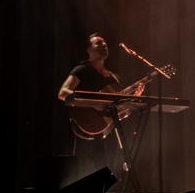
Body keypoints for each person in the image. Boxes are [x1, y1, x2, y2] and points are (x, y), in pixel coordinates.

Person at [58, 33, 145, 179]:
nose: (104, 45)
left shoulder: (114, 77)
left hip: (108, 131)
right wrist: (94, 103)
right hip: (86, 129)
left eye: (105, 44)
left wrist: (135, 97)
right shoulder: (82, 70)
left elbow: (117, 109)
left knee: (108, 171)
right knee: (85, 172)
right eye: (98, 43)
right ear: (89, 50)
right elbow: (63, 93)